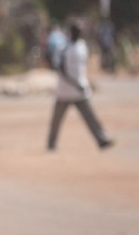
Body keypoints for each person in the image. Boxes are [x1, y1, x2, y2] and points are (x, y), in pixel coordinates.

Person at [47, 22, 115, 151]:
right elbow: (61, 70)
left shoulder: (82, 46)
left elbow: (81, 68)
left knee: (90, 116)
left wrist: (83, 83)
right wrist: (75, 84)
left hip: (81, 90)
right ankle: (51, 144)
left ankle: (102, 139)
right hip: (64, 90)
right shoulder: (63, 48)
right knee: (56, 120)